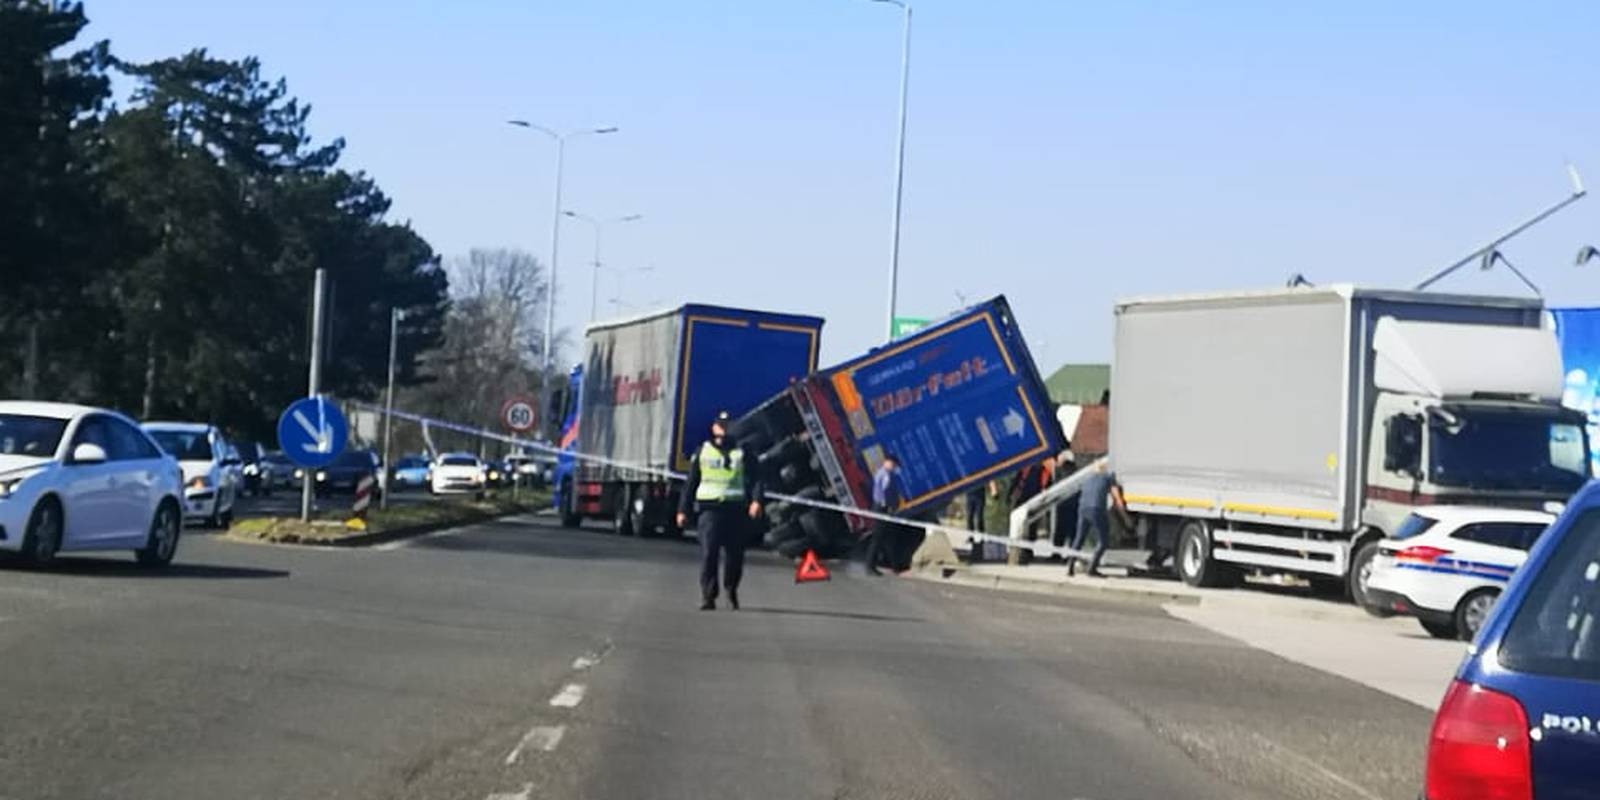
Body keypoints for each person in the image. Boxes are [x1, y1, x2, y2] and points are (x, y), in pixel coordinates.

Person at [676, 411, 762, 610]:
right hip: (710, 510)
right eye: (720, 425)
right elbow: (691, 483)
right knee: (709, 554)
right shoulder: (703, 451)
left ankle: (731, 590)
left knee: (734, 556)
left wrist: (756, 501)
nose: (723, 428)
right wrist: (683, 510)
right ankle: (709, 596)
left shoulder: (743, 451)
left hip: (735, 510)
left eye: (727, 425)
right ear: (713, 428)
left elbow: (757, 478)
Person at [1069, 461, 1125, 578]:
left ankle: (1070, 567)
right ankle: (1092, 568)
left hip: (1083, 508)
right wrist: (1124, 515)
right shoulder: (1109, 477)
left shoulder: (1088, 479)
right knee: (1103, 541)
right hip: (1096, 509)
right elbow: (1116, 497)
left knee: (1079, 538)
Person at [863, 453, 904, 576]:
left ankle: (889, 564)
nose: (894, 467)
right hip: (881, 508)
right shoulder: (883, 474)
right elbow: (882, 492)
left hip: (881, 507)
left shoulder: (884, 473)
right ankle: (870, 566)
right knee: (877, 538)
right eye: (894, 464)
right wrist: (888, 505)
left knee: (884, 537)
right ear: (888, 462)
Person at [964, 483, 987, 563]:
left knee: (979, 518)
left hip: (980, 496)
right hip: (969, 495)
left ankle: (981, 537)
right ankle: (970, 536)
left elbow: (990, 479)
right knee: (969, 517)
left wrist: (994, 490)